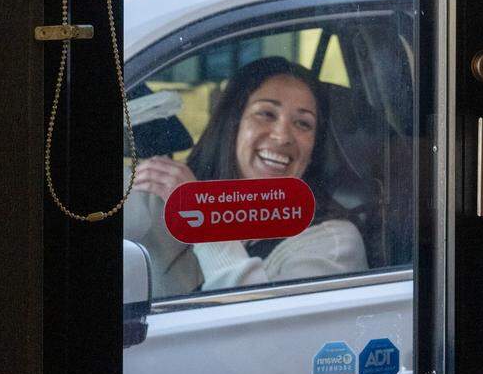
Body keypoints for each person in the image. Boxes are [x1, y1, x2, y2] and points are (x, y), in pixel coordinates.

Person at [124, 56, 367, 298]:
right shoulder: (163, 191)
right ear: (233, 124)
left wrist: (204, 219)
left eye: (303, 123)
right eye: (267, 114)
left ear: (315, 147)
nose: (282, 136)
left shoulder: (334, 242)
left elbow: (261, 328)